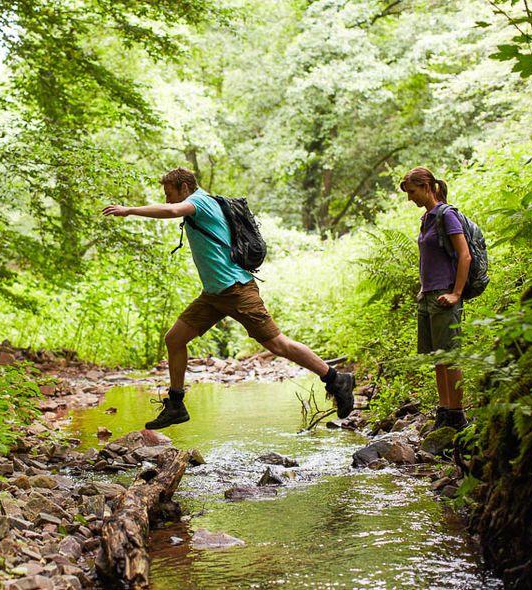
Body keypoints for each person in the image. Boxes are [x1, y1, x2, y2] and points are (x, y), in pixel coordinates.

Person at [102, 167, 355, 430]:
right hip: (213, 295)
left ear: (184, 187)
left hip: (236, 290)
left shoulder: (200, 201)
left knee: (278, 344)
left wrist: (129, 210)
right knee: (174, 339)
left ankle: (336, 379)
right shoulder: (200, 204)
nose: (167, 199)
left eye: (169, 193)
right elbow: (174, 209)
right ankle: (176, 405)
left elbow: (172, 210)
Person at [401, 167, 470, 430]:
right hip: (428, 295)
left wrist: (456, 293)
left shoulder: (446, 215)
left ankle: (457, 415)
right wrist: (423, 289)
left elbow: (464, 255)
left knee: (450, 356)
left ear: (427, 187)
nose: (410, 198)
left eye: (412, 192)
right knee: (438, 357)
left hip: (445, 294)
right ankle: (444, 411)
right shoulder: (426, 218)